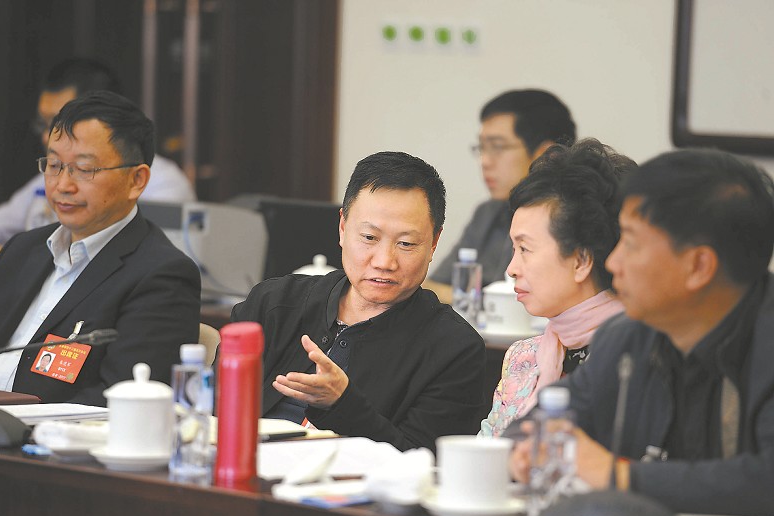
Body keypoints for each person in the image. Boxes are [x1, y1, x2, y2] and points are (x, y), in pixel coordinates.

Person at [509, 149, 774, 516]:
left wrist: (620, 476)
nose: (613, 261)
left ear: (699, 266)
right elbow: (538, 425)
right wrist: (524, 452)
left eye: (631, 244)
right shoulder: (626, 339)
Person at [231, 151, 486, 452]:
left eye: (406, 243)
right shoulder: (273, 304)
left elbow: (422, 464)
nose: (384, 261)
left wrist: (342, 404)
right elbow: (214, 413)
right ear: (342, 228)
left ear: (433, 243)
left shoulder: (454, 349)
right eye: (369, 237)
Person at [0, 90, 201, 406]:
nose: (62, 185)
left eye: (84, 169)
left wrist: (12, 424)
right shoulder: (22, 250)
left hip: (38, 434)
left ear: (136, 180)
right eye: (54, 165)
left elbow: (122, 402)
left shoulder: (162, 275)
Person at [479, 139, 633, 437]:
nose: (511, 269)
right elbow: (487, 452)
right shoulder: (524, 358)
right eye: (513, 249)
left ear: (581, 260)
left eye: (525, 249)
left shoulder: (636, 360)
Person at [0, 57, 195, 245]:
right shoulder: (51, 178)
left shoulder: (164, 184)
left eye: (85, 169)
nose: (63, 185)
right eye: (44, 124)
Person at [424, 89, 576, 303]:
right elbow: (430, 287)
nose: (485, 161)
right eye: (482, 148)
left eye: (497, 147)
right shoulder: (487, 213)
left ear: (546, 155)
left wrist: (470, 300)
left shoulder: (573, 218)